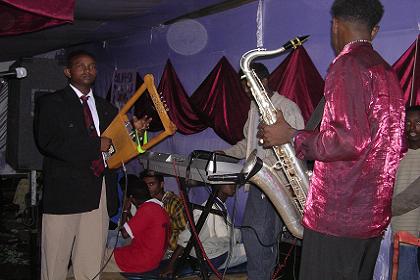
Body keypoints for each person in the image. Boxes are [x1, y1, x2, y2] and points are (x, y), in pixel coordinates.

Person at [259, 1, 405, 279]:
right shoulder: (386, 71)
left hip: (337, 219)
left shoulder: (347, 64)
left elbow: (347, 141)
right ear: (373, 31)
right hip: (369, 219)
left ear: (335, 25)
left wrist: (290, 135)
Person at [34, 50, 148, 280]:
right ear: (68, 72)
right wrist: (95, 144)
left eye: (92, 66)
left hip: (99, 189)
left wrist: (136, 134)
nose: (88, 70)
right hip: (65, 190)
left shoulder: (107, 108)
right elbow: (48, 143)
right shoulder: (51, 103)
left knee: (91, 256)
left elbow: (117, 148)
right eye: (81, 66)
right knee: (55, 256)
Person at [223, 62, 304, 280]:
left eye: (251, 86)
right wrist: (222, 154)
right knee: (256, 238)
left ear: (264, 81)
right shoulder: (254, 109)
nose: (248, 92)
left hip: (277, 187)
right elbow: (247, 146)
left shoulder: (286, 108)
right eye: (245, 88)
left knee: (257, 238)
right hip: (260, 185)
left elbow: (297, 151)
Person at [160, 184, 247, 277]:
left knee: (243, 237)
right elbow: (185, 239)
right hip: (214, 260)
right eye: (230, 183)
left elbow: (227, 234)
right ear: (218, 185)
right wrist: (170, 266)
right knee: (253, 250)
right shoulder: (204, 211)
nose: (234, 185)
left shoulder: (219, 206)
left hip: (217, 253)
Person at [102, 179, 171, 273]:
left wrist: (125, 210)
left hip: (141, 261)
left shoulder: (147, 209)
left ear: (131, 198)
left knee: (98, 255)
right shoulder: (159, 207)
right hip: (154, 259)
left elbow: (124, 233)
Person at [391, 105, 420, 279]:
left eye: (417, 123)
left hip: (412, 237)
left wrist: (381, 210)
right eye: (407, 123)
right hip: (392, 233)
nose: (412, 128)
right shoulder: (397, 155)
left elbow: (413, 198)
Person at [139, 170, 187, 254]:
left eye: (151, 184)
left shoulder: (174, 203)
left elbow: (184, 235)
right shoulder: (145, 201)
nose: (147, 188)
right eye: (144, 185)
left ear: (161, 184)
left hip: (171, 250)